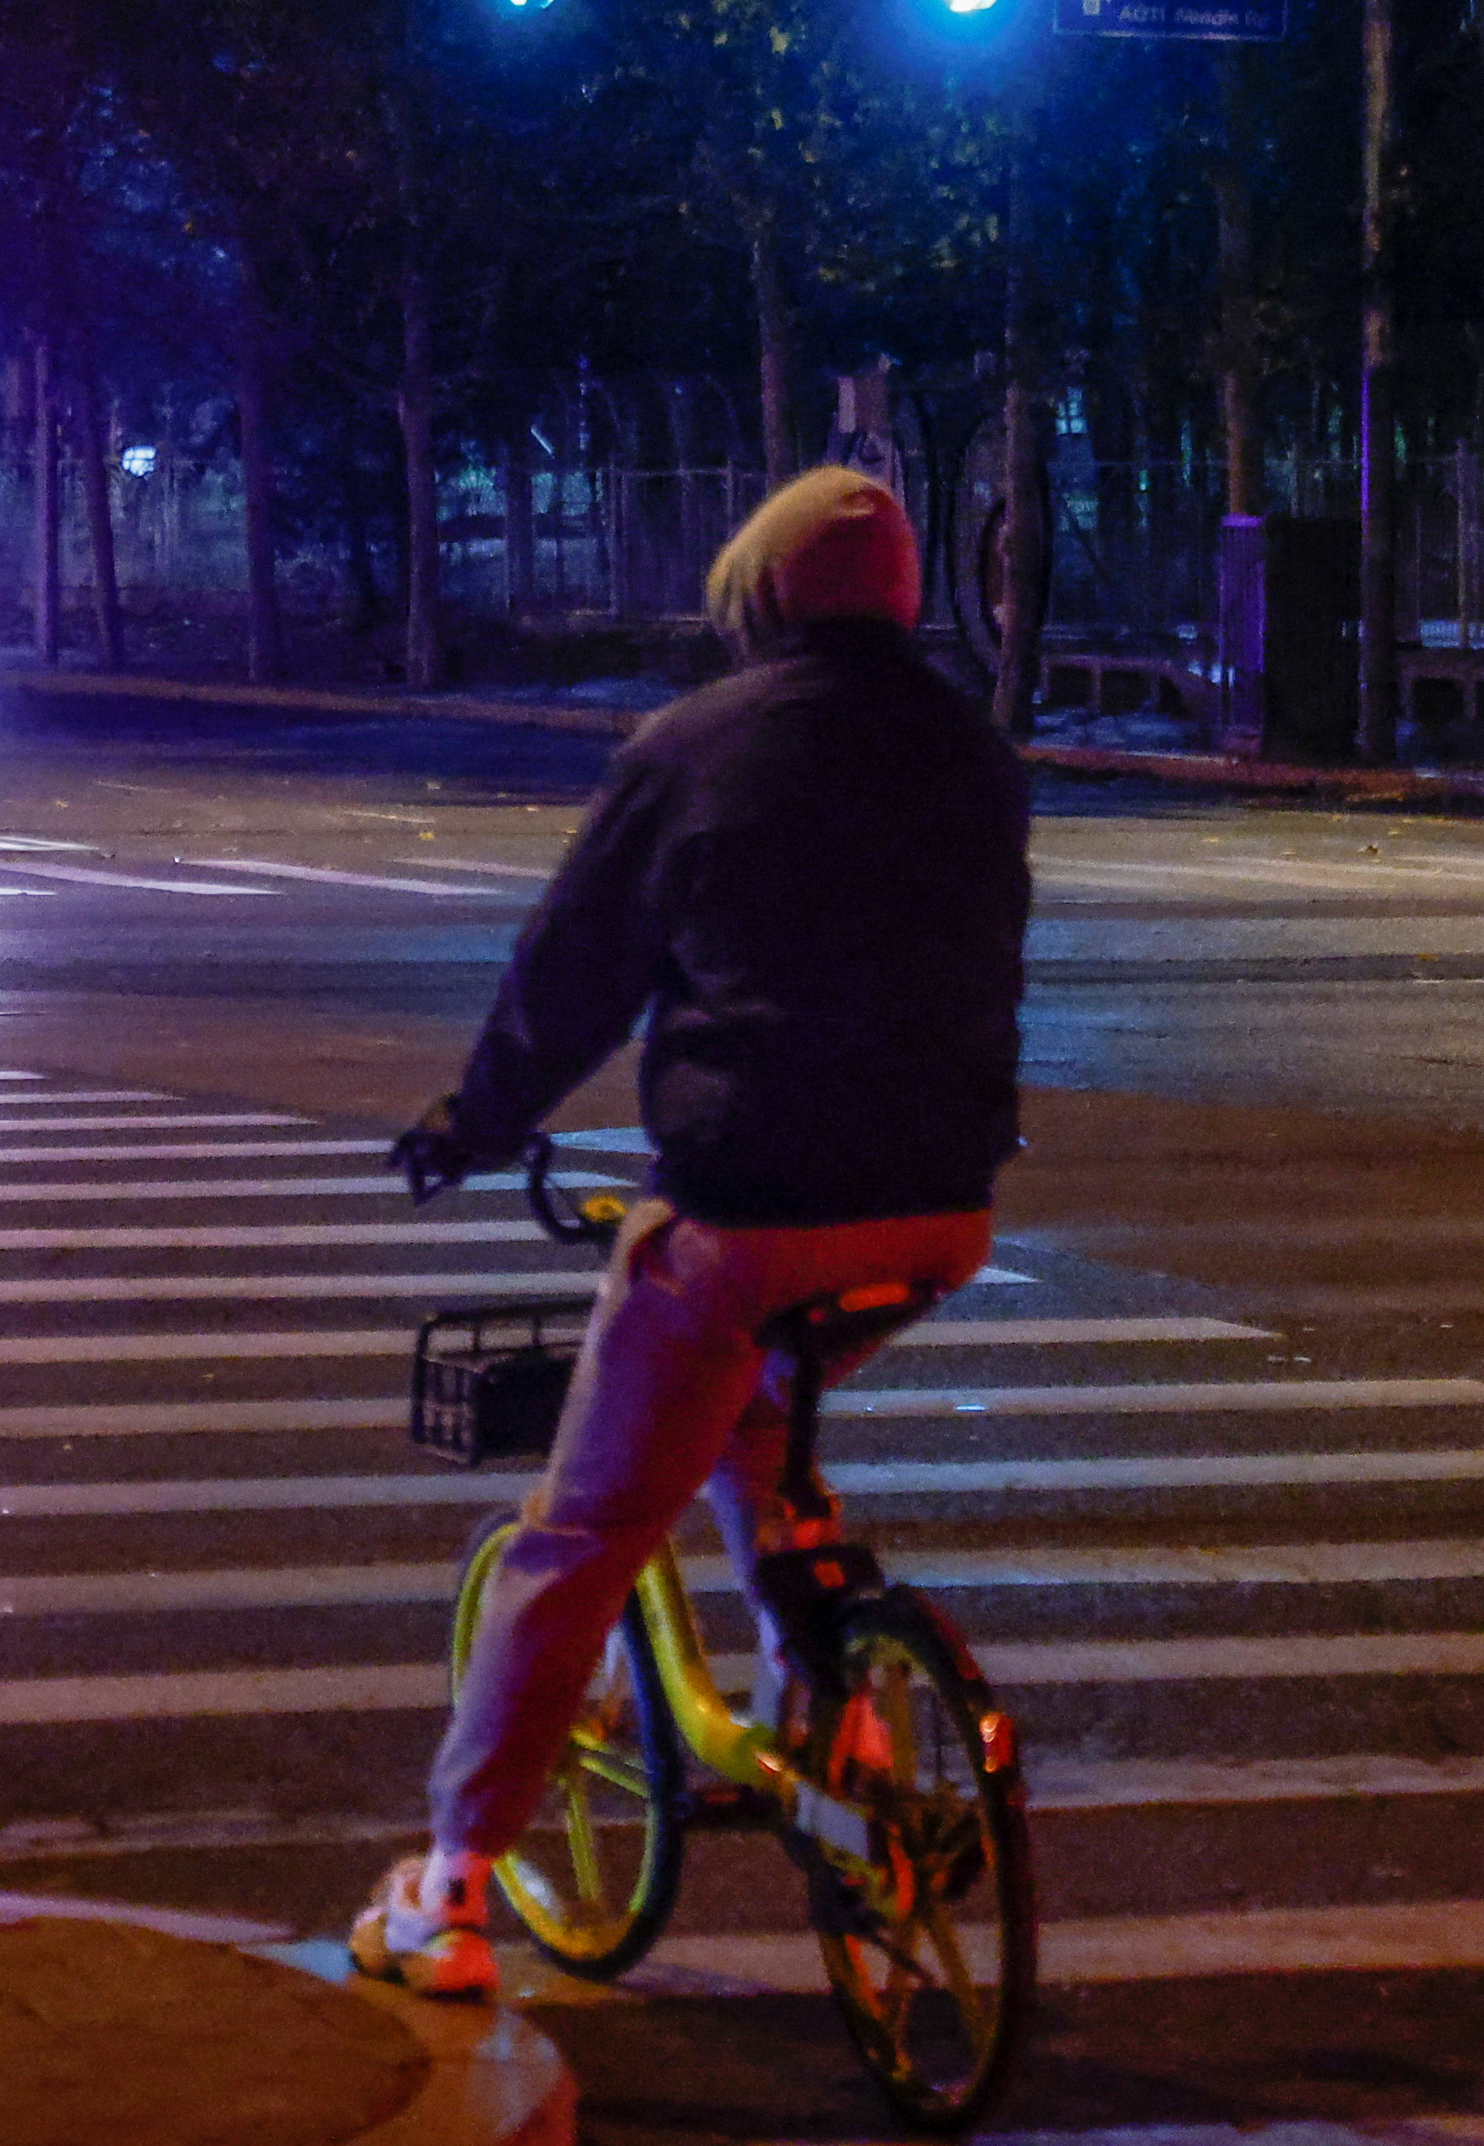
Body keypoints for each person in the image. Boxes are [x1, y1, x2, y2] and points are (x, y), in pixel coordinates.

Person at [346, 467, 1030, 1999]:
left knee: (580, 1534)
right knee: (763, 1423)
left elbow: (574, 968)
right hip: (940, 1207)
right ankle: (836, 1703)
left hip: (746, 1205)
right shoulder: (972, 752)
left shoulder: (692, 745)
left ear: (763, 596)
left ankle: (452, 1887)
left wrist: (478, 1119)